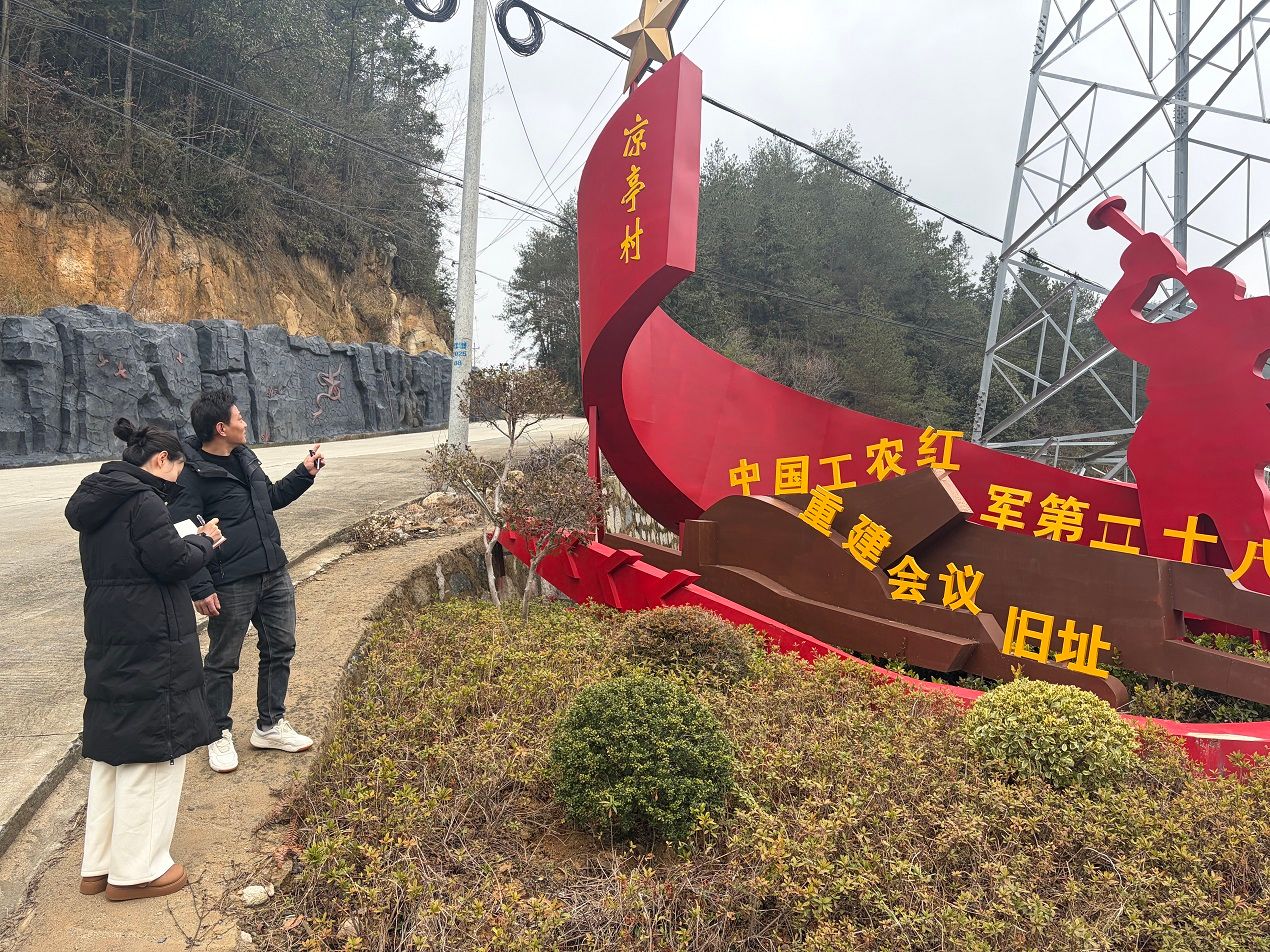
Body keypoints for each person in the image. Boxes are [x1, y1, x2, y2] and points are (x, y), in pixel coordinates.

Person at [65, 418, 223, 901]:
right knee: (154, 748)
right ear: (160, 460)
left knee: (114, 751)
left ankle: (99, 865)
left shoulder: (98, 499)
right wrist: (204, 540)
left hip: (112, 634)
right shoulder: (143, 501)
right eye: (177, 469)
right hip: (152, 636)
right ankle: (138, 871)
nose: (178, 479)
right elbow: (172, 562)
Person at [168, 389, 325, 773]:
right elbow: (184, 533)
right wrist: (200, 586)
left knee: (280, 647)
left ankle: (269, 725)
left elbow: (268, 498)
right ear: (221, 428)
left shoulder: (244, 457)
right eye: (239, 417)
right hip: (230, 580)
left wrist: (303, 473)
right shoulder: (190, 474)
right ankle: (217, 732)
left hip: (273, 570)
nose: (245, 422)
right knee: (223, 660)